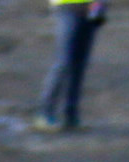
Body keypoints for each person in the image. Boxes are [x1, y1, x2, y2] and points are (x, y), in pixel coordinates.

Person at [34, 0, 107, 133]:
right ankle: (45, 113)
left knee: (79, 64)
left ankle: (71, 115)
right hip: (67, 7)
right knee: (64, 62)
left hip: (91, 8)